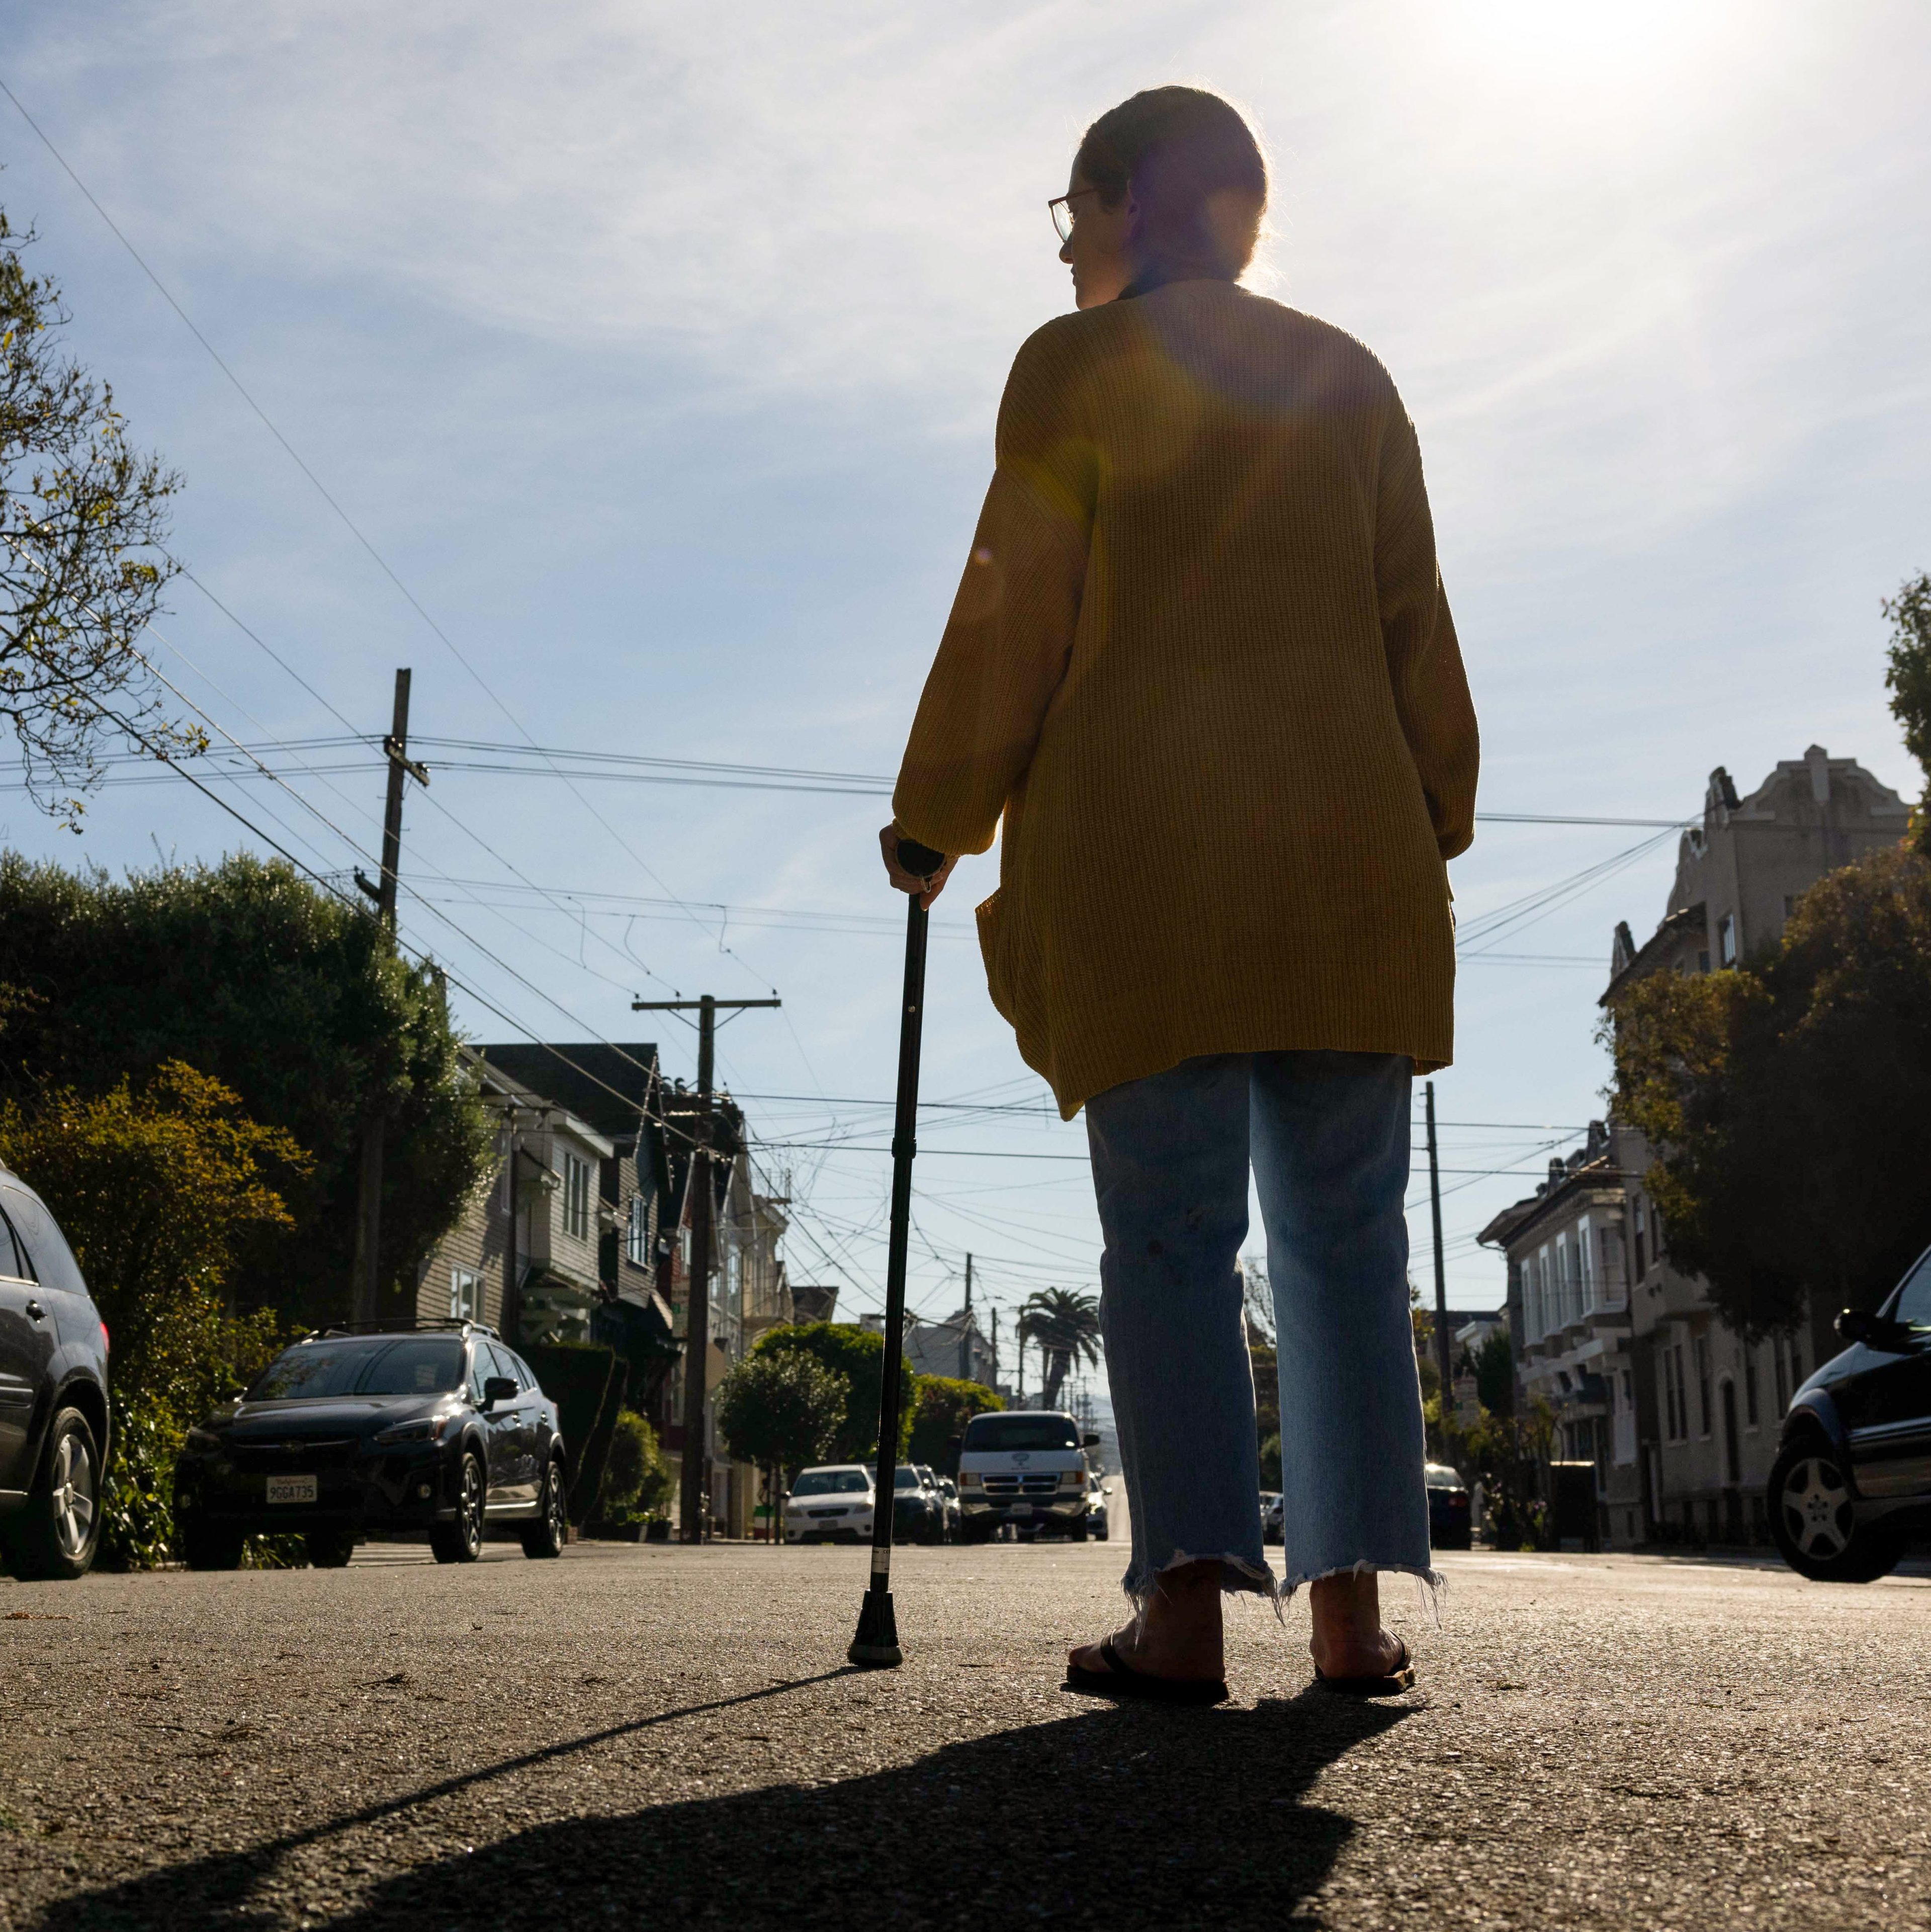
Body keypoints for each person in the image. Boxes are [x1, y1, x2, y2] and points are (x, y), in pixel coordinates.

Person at [881, 86, 1477, 1702]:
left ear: (1132, 202)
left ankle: (1187, 1620)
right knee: (1347, 1237)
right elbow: (1412, 613)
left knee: (1166, 1240)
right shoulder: (1348, 375)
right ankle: (1350, 1623)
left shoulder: (1070, 369)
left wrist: (938, 813)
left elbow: (1015, 610)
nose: (1065, 240)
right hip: (1349, 862)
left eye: (1071, 209)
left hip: (1146, 864)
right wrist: (1443, 797)